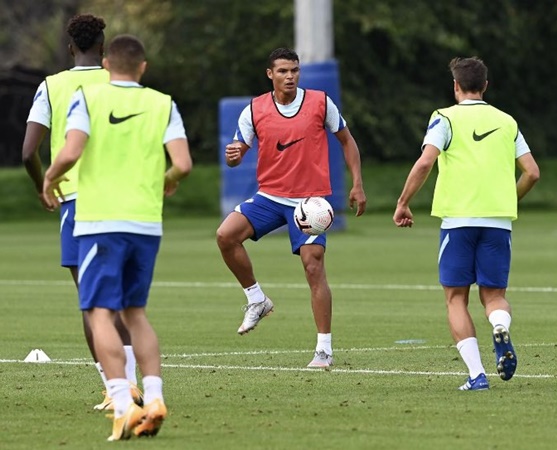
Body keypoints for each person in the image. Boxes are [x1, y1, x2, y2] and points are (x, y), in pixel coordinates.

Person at [42, 34, 192, 440]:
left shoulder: (88, 99)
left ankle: (124, 405)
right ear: (143, 68)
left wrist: (50, 178)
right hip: (146, 222)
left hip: (100, 222)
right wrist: (168, 180)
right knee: (135, 313)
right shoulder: (163, 103)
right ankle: (154, 397)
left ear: (107, 65)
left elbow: (71, 151)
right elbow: (183, 163)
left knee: (100, 314)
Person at [393, 57, 540, 391]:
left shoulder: (444, 118)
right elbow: (532, 172)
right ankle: (500, 326)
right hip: (498, 221)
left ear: (456, 86)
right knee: (494, 296)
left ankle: (477, 375)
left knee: (456, 298)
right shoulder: (506, 121)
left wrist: (403, 202)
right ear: (485, 86)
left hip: (458, 220)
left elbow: (425, 162)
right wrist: (510, 199)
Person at [216, 47, 367, 368]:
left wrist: (357, 183)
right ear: (270, 74)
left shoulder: (320, 102)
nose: (290, 76)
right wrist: (234, 156)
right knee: (225, 236)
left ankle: (324, 350)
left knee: (313, 267)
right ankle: (256, 299)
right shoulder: (254, 109)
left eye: (294, 70)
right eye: (283, 71)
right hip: (270, 197)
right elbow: (237, 152)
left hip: (309, 202)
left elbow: (346, 140)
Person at [21, 13, 142, 411]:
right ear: (103, 47)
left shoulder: (51, 86)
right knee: (120, 298)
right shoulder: (121, 82)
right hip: (122, 202)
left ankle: (115, 389)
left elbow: (28, 151)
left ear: (70, 47)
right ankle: (132, 385)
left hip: (77, 202)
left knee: (93, 302)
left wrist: (43, 185)